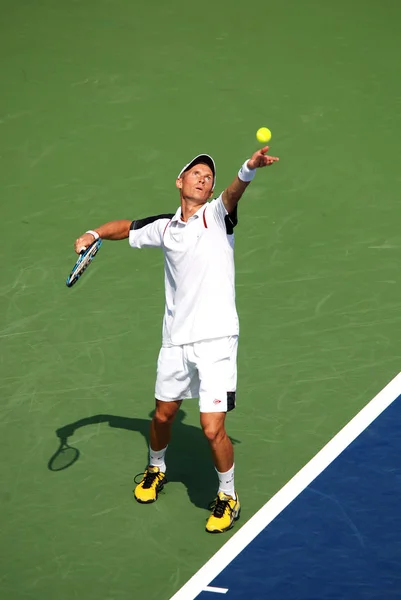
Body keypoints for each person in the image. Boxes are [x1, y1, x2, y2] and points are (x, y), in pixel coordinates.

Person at [74, 145, 279, 533]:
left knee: (211, 427)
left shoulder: (217, 216)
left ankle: (228, 495)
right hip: (175, 340)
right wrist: (93, 233)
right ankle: (156, 468)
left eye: (209, 177)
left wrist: (248, 168)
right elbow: (128, 228)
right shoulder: (166, 227)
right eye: (197, 173)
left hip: (217, 339)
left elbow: (234, 192)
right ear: (180, 182)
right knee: (164, 414)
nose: (205, 179)